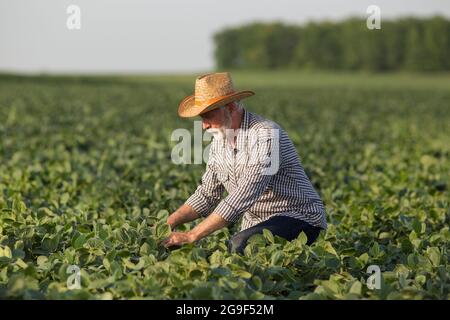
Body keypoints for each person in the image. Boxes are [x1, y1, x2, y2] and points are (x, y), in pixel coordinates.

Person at [162, 72, 326, 254]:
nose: (204, 125)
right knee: (219, 249)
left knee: (240, 244)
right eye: (202, 118)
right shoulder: (219, 142)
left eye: (209, 115)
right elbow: (207, 195)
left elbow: (244, 194)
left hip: (298, 217)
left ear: (230, 107)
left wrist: (192, 235)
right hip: (257, 224)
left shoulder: (266, 134)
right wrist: (169, 222)